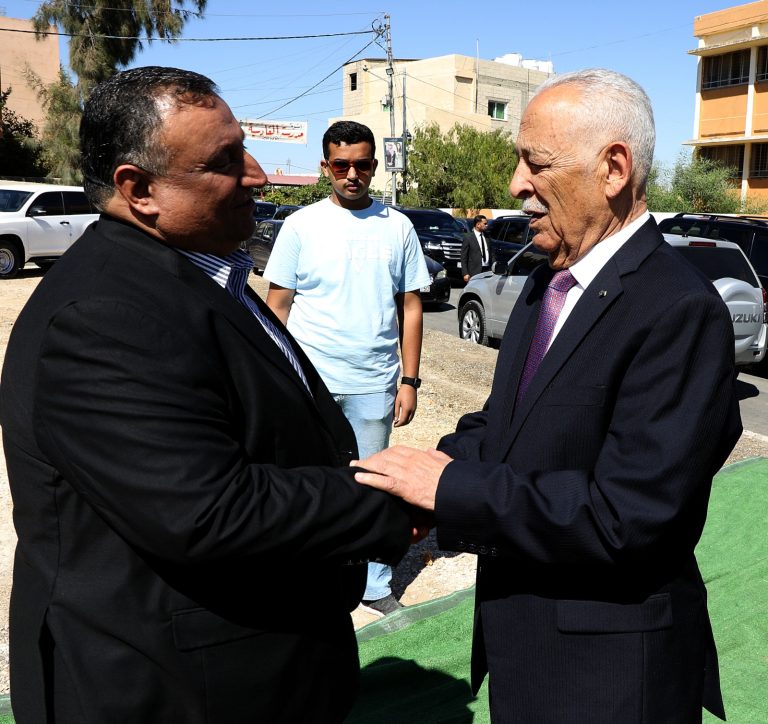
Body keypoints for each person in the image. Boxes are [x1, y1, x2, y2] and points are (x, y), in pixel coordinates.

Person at [0, 67, 415, 724]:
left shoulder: (194, 274)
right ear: (140, 189)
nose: (257, 175)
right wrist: (392, 499)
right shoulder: (106, 315)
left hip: (253, 665)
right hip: (174, 688)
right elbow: (207, 510)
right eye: (224, 162)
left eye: (244, 148)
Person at [353, 68, 741, 722]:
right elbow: (505, 423)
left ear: (613, 168)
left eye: (536, 163)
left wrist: (450, 489)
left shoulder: (679, 309)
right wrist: (427, 473)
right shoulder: (546, 283)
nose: (515, 185)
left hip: (609, 674)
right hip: (525, 648)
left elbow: (627, 518)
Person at [264, 120, 430, 617]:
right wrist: (273, 377)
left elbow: (412, 307)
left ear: (374, 166)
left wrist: (409, 380)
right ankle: (308, 575)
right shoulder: (300, 225)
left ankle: (374, 585)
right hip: (308, 382)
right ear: (325, 167)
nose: (352, 174)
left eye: (361, 164)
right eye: (341, 165)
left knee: (374, 482)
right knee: (306, 482)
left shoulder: (397, 227)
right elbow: (278, 306)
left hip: (373, 382)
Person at [461, 213, 493, 281]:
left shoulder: (487, 236)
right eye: (485, 224)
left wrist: (494, 267)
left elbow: (491, 253)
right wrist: (465, 273)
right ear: (478, 225)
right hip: (474, 272)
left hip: (487, 270)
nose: (487, 225)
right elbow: (464, 257)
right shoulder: (468, 237)